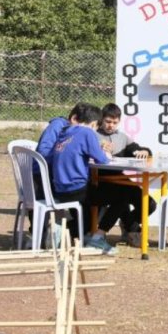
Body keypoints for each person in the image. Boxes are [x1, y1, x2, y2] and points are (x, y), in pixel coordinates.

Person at [50, 103, 115, 254]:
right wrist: (104, 152)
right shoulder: (87, 133)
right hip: (77, 189)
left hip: (60, 189)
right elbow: (102, 160)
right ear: (93, 124)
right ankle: (97, 238)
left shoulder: (64, 132)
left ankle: (78, 232)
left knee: (97, 198)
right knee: (123, 195)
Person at [95, 103, 156, 248]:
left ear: (119, 122)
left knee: (150, 204)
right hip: (100, 180)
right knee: (121, 200)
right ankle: (133, 230)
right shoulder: (93, 134)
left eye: (115, 123)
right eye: (108, 122)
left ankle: (128, 225)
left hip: (121, 179)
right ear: (102, 120)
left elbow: (136, 149)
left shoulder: (122, 137)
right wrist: (100, 147)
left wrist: (145, 151)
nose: (111, 125)